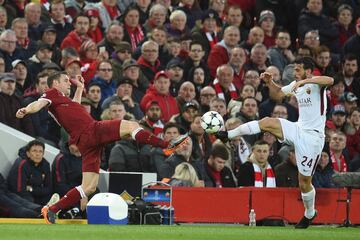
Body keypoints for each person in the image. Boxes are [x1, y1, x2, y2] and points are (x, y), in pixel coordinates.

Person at [16, 71, 188, 224]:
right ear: (55, 83)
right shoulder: (51, 93)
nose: (69, 82)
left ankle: (52, 210)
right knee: (130, 125)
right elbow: (38, 104)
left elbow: (75, 106)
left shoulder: (63, 102)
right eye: (66, 80)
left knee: (88, 187)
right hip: (91, 131)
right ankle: (166, 145)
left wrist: (80, 88)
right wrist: (26, 109)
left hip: (86, 141)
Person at [217, 57, 334, 228]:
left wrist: (305, 81)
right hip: (298, 128)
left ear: (308, 71)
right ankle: (228, 134)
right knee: (267, 122)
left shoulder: (316, 85)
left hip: (313, 138)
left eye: (298, 70)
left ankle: (310, 213)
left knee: (304, 182)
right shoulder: (296, 85)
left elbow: (330, 80)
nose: (294, 73)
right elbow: (278, 94)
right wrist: (270, 82)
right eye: (294, 69)